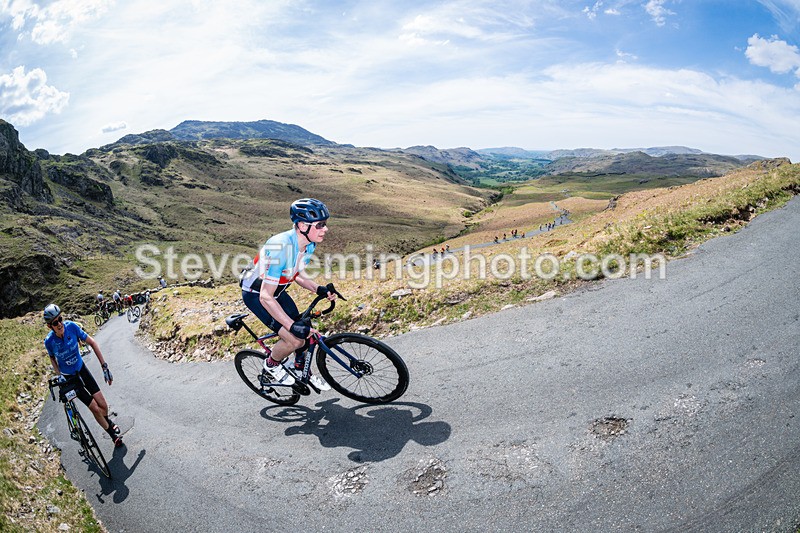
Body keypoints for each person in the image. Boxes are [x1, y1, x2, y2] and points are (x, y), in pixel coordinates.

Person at [240, 198, 335, 391]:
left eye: (325, 224)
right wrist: (290, 325)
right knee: (295, 338)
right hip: (257, 294)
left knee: (305, 326)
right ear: (302, 225)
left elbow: (295, 274)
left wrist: (319, 289)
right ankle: (271, 365)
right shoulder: (280, 247)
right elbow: (265, 297)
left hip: (278, 290)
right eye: (321, 225)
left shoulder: (308, 244)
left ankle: (301, 370)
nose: (325, 229)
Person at [43, 304, 123, 447]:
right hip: (70, 378)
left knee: (103, 406)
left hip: (82, 370)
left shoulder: (72, 327)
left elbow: (92, 342)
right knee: (94, 408)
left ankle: (108, 422)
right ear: (50, 326)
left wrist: (104, 366)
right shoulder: (49, 342)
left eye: (60, 319)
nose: (60, 324)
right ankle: (112, 434)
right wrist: (59, 374)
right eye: (55, 323)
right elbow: (52, 358)